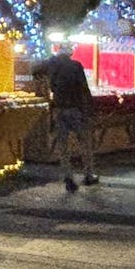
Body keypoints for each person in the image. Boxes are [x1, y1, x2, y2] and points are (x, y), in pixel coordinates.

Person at [37, 47, 96, 192]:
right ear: (70, 54)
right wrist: (90, 108)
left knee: (62, 145)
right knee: (84, 142)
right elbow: (84, 88)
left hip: (59, 109)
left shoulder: (51, 65)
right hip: (75, 109)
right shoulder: (75, 66)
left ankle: (68, 176)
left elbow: (35, 70)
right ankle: (88, 174)